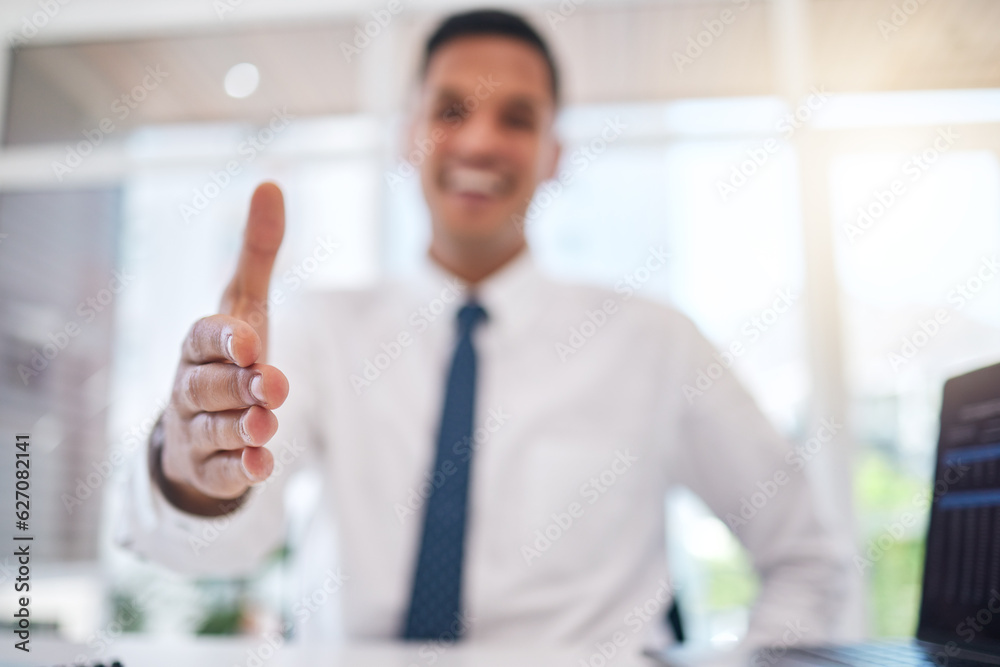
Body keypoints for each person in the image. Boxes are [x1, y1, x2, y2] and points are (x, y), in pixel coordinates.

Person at [119, 8, 848, 653]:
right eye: (450, 109)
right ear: (409, 137)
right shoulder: (319, 332)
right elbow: (219, 548)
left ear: (554, 155)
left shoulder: (656, 342)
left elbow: (808, 558)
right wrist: (190, 470)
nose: (479, 141)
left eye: (518, 118)